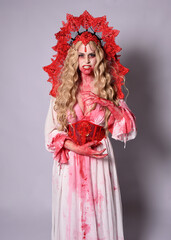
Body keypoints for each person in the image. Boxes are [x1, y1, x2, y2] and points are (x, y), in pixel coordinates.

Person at [43, 11, 137, 240]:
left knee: (99, 207)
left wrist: (110, 105)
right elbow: (50, 134)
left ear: (100, 58)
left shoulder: (109, 88)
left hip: (99, 157)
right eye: (81, 55)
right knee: (71, 212)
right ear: (73, 58)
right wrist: (76, 148)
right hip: (71, 160)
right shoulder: (62, 90)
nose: (86, 61)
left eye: (91, 55)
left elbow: (125, 129)